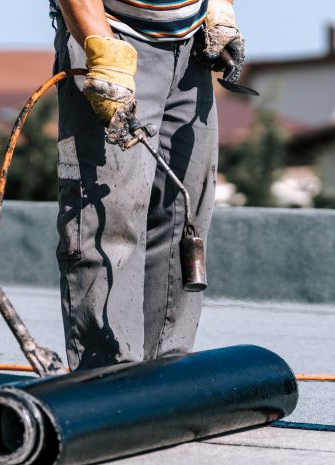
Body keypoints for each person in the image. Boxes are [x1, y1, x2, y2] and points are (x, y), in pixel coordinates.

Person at [49, 0, 245, 370]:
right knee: (109, 220)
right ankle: (109, 378)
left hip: (191, 47)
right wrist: (102, 49)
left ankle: (164, 378)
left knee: (182, 218)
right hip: (112, 40)